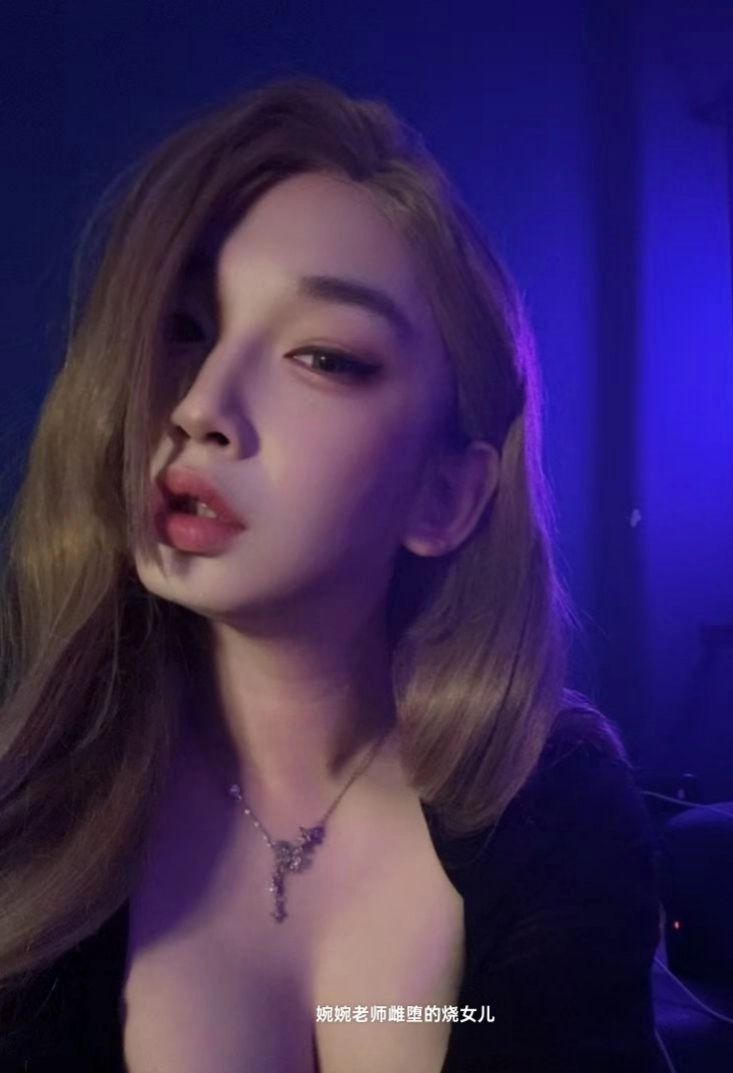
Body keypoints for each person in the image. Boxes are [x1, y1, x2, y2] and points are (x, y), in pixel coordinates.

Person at [0, 75, 663, 1071]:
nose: (200, 406)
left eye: (321, 356)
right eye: (184, 327)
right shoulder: (29, 804)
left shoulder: (554, 814)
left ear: (444, 494)